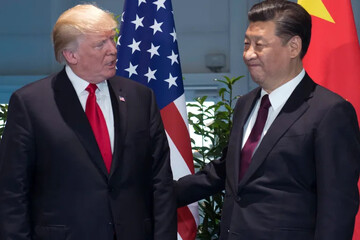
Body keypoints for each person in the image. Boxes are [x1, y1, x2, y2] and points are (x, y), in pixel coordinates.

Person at [176, 1, 360, 239]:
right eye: (246, 44)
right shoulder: (245, 105)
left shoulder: (330, 111)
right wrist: (156, 192)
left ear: (293, 46)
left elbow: (337, 208)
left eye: (259, 45)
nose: (248, 54)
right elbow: (227, 170)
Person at [0, 4, 176, 240]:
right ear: (71, 55)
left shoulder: (140, 97)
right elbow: (12, 191)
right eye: (100, 44)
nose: (113, 50)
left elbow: (160, 181)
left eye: (112, 40)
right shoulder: (30, 103)